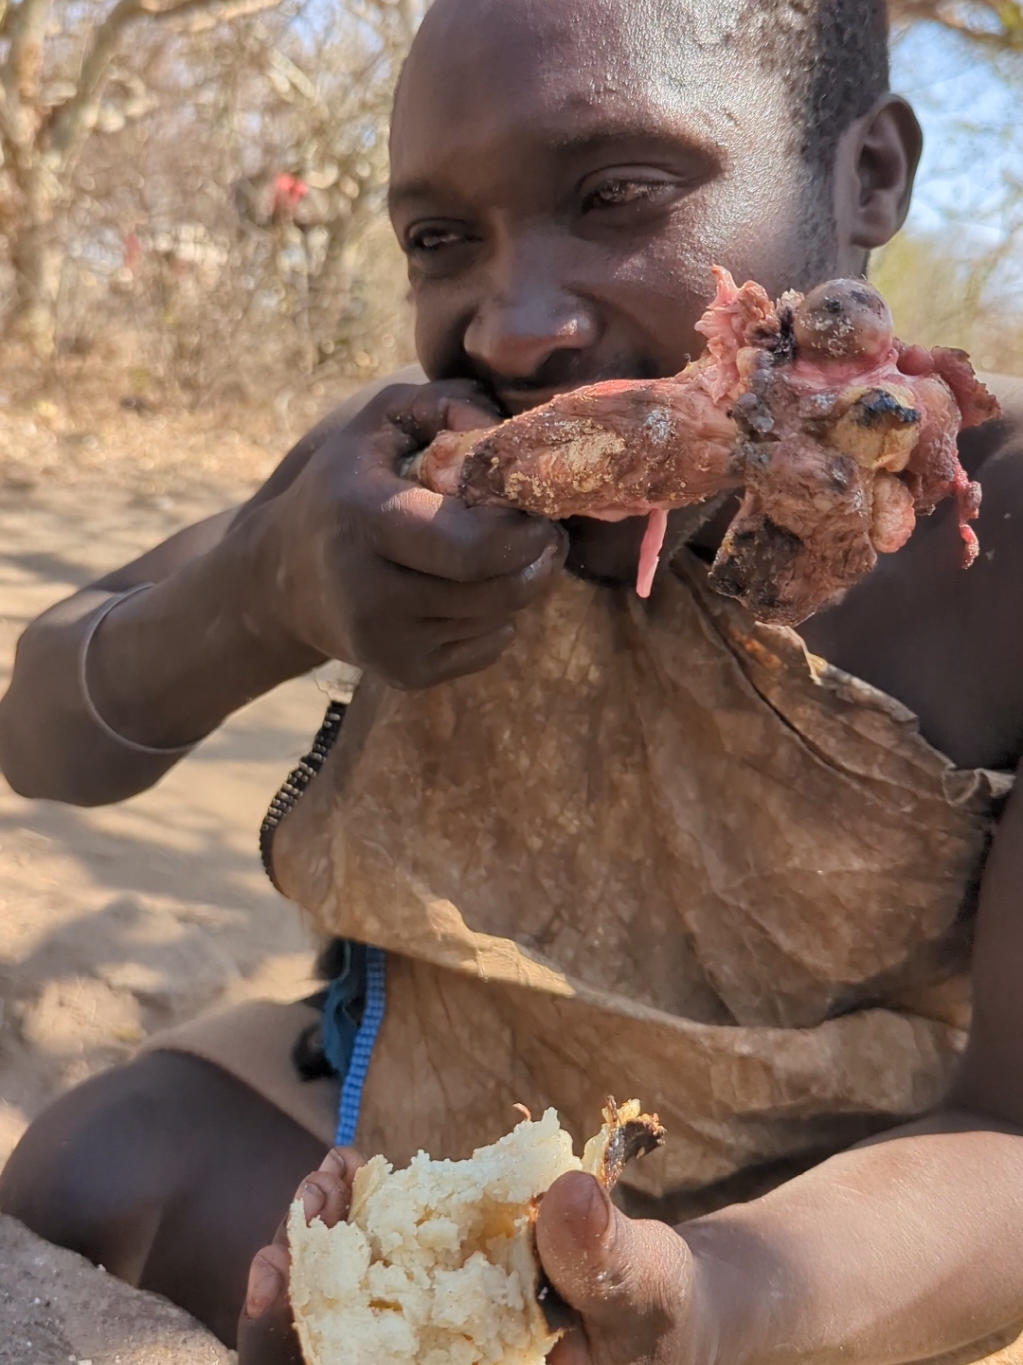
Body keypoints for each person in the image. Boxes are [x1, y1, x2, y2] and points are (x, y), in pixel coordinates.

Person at [4, 0, 1023, 1360]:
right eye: (440, 240)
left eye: (617, 194)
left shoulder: (993, 539)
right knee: (95, 1177)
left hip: (824, 1227)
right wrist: (259, 585)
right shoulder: (407, 475)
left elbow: (1015, 1134)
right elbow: (42, 731)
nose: (516, 326)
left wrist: (716, 1301)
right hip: (425, 1097)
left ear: (870, 176)